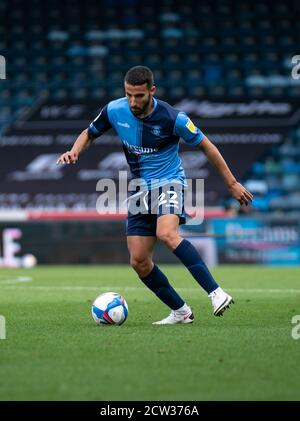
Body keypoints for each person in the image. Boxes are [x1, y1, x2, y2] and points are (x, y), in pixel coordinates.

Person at [57, 66, 253, 325]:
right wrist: (75, 150)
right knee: (139, 261)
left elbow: (207, 146)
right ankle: (181, 312)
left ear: (152, 91)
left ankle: (216, 293)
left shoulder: (174, 118)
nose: (133, 101)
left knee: (167, 234)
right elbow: (89, 133)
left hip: (169, 182)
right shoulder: (115, 110)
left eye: (139, 96)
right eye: (128, 95)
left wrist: (232, 184)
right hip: (139, 189)